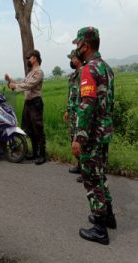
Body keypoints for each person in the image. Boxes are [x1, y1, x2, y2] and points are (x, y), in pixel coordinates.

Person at [71, 27, 116, 245]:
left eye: (76, 45)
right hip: (105, 131)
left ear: (85, 45)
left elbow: (86, 106)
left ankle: (99, 228)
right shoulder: (107, 68)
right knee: (101, 174)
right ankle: (108, 217)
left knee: (92, 178)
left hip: (93, 135)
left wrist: (79, 138)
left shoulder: (89, 70)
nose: (76, 50)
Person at [5, 49, 46, 165]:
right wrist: (11, 81)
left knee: (38, 129)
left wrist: (15, 85)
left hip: (35, 103)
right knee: (30, 130)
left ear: (35, 58)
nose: (28, 60)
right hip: (28, 103)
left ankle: (42, 155)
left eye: (30, 57)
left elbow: (28, 85)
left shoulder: (39, 72)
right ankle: (35, 153)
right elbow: (22, 82)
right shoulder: (30, 72)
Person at [63, 50, 84, 179]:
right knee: (73, 139)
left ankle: (86, 170)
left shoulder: (85, 73)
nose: (71, 60)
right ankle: (80, 165)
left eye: (72, 58)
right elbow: (71, 94)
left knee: (80, 139)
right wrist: (67, 109)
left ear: (77, 58)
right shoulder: (74, 75)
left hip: (81, 112)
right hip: (73, 112)